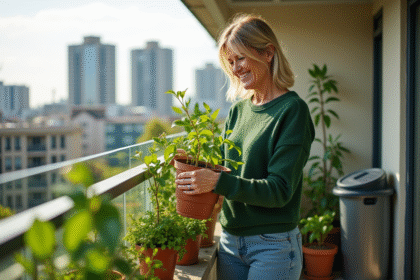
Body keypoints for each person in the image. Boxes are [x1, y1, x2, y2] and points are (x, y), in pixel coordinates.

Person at [175, 14, 315, 280]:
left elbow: (280, 189)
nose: (235, 68)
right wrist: (196, 174)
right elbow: (226, 172)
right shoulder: (238, 111)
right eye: (230, 62)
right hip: (230, 242)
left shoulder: (293, 111)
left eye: (240, 58)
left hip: (272, 246)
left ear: (268, 53)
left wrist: (215, 183)